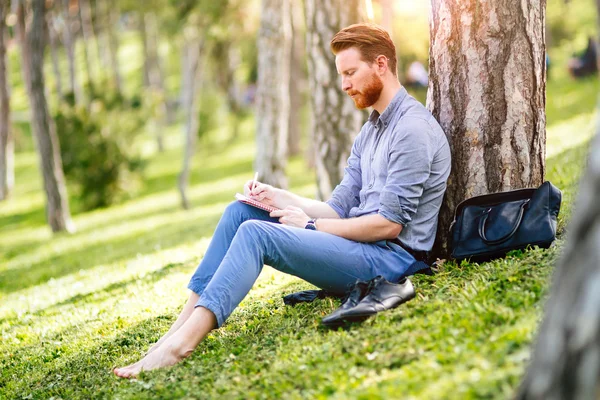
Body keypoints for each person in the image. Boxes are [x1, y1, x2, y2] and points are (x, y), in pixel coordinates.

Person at [113, 23, 451, 378]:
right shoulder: (371, 131)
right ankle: (174, 333)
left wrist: (310, 226)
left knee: (257, 235)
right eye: (342, 74)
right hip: (357, 248)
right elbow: (337, 208)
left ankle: (181, 347)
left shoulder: (411, 130)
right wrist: (277, 197)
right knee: (241, 212)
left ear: (381, 65)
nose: (344, 84)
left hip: (391, 260)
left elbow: (388, 224)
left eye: (350, 72)